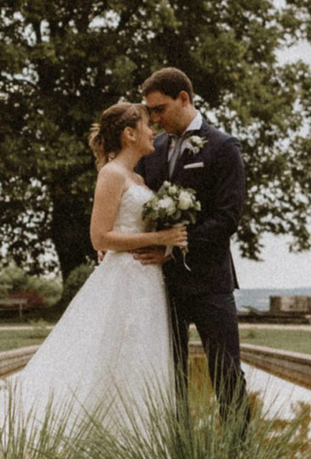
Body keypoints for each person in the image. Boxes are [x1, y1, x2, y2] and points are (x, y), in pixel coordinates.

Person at [0, 101, 187, 451]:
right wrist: (159, 237)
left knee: (138, 361)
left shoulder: (139, 179)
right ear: (129, 134)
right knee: (102, 360)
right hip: (121, 281)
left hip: (148, 282)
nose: (153, 130)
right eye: (147, 124)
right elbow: (100, 238)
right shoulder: (112, 174)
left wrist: (164, 245)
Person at [132, 67, 249, 424]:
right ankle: (177, 443)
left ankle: (239, 447)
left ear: (184, 98)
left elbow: (227, 218)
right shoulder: (152, 150)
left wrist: (172, 247)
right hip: (162, 284)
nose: (155, 118)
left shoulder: (223, 147)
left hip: (211, 282)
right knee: (170, 374)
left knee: (226, 372)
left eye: (160, 109)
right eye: (151, 111)